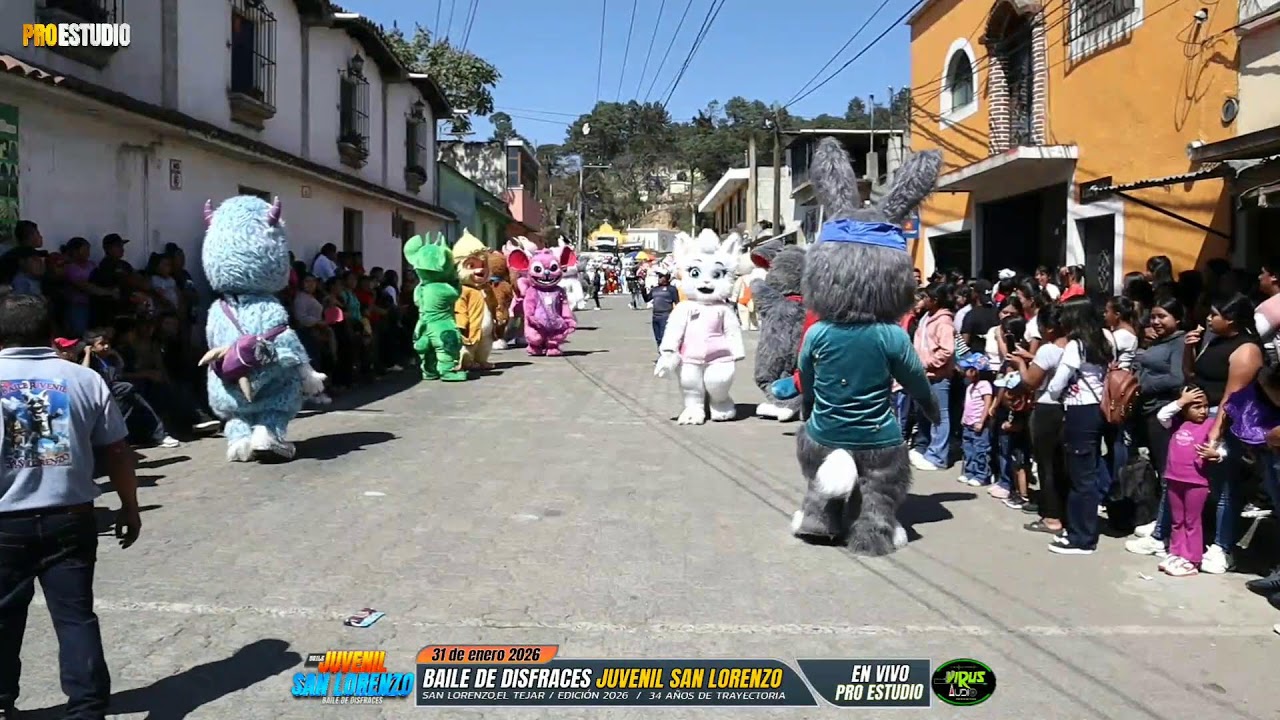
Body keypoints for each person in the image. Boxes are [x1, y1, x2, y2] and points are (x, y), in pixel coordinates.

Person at [0, 294, 142, 719]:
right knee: (75, 615)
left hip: (5, 522)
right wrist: (129, 506)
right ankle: (87, 707)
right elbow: (118, 452)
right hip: (72, 516)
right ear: (49, 331)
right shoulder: (84, 380)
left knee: (3, 617)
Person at [1185, 293, 1263, 574]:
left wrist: (1215, 435)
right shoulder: (1213, 340)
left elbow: (1232, 397)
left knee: (1224, 488)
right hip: (1199, 416)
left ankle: (1223, 546)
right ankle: (1195, 538)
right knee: (1195, 481)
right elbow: (1193, 374)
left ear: (1230, 319)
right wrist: (1190, 350)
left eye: (1214, 314)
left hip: (1225, 424)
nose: (1208, 317)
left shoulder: (1246, 350)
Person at [1045, 297, 1111, 555]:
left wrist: (1054, 391)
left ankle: (1082, 537)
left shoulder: (1076, 345)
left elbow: (1056, 384)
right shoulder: (1105, 339)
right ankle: (1080, 530)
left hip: (1079, 411)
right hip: (1098, 409)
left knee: (1080, 477)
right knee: (1089, 473)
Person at [1155, 386, 1220, 576]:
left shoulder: (1210, 425)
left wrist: (1216, 455)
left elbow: (1219, 449)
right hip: (1174, 478)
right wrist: (1181, 401)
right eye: (1196, 406)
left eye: (1205, 406)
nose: (1203, 411)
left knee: (1192, 521)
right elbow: (1162, 415)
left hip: (1196, 482)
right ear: (1184, 409)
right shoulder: (1176, 423)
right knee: (1177, 520)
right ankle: (1176, 553)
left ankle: (1192, 559)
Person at [909, 283, 956, 472]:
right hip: (923, 375)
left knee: (940, 415)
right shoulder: (927, 318)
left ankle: (938, 456)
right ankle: (924, 446)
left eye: (927, 297)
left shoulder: (943, 322)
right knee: (924, 412)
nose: (923, 300)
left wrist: (927, 362)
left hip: (938, 376)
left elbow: (947, 350)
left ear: (935, 300)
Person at [956, 353, 995, 487]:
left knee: (980, 450)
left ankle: (981, 475)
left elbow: (987, 403)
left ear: (976, 371)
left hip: (979, 423)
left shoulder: (984, 385)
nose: (965, 372)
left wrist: (982, 421)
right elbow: (967, 404)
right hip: (968, 422)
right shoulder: (969, 387)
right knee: (968, 449)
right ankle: (969, 472)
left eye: (968, 369)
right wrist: (963, 418)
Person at [643, 268, 679, 351]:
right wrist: (642, 289)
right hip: (655, 316)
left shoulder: (671, 289)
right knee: (658, 338)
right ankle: (661, 354)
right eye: (658, 277)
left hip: (666, 315)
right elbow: (647, 299)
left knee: (664, 337)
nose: (659, 279)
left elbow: (677, 302)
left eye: (661, 277)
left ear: (666, 278)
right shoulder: (655, 289)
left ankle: (666, 355)